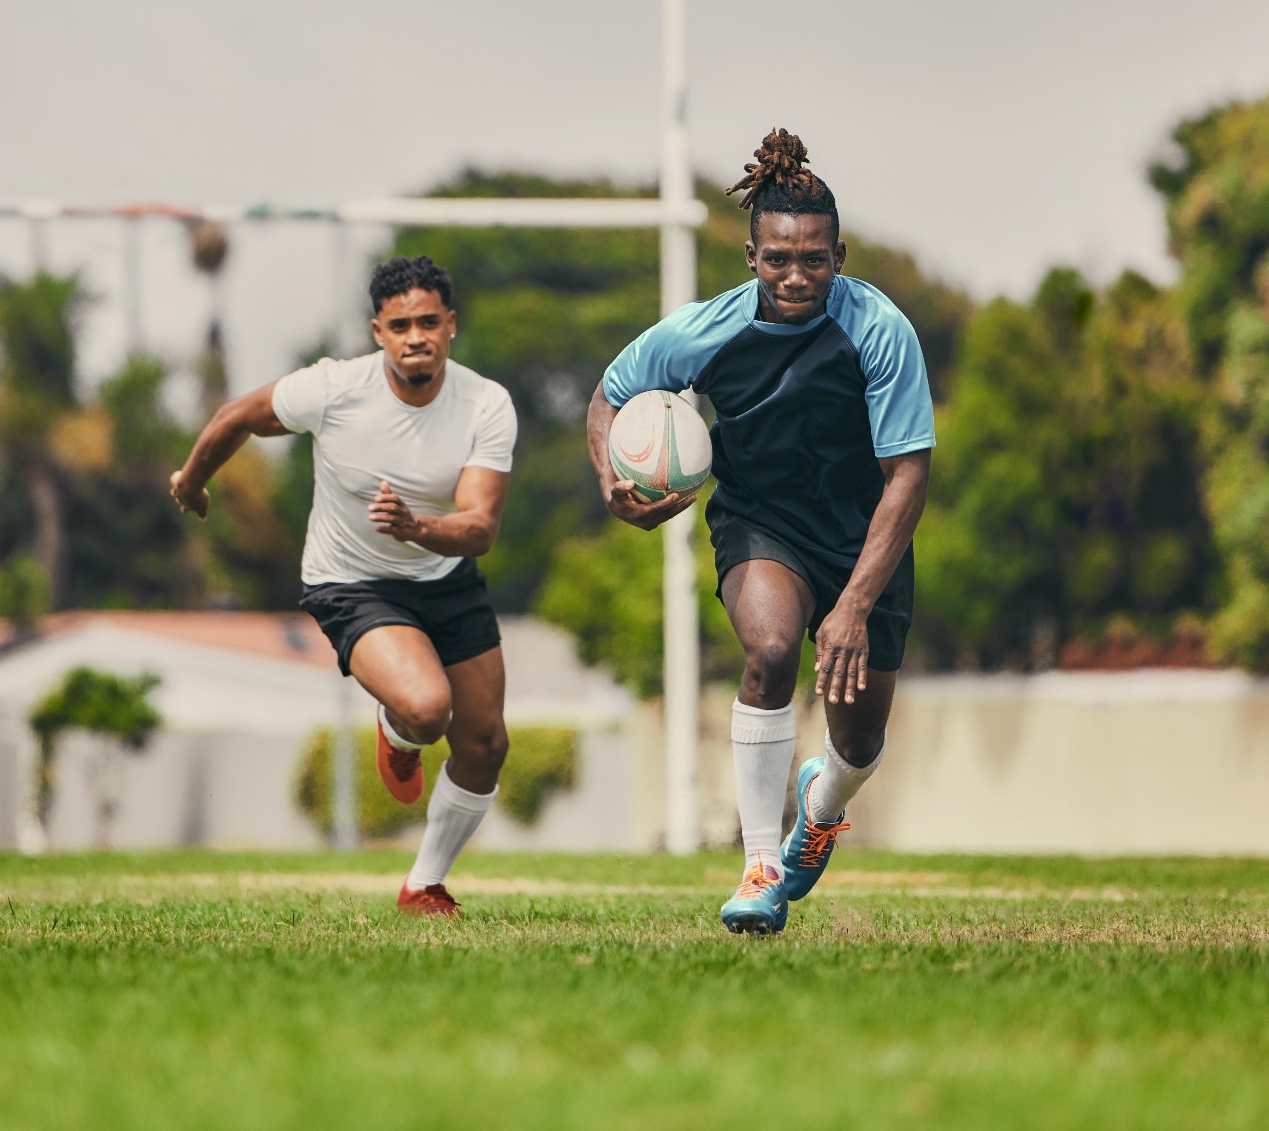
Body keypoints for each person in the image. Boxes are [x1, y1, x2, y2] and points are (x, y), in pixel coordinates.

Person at [587, 129, 934, 935]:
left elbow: (908, 476)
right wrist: (610, 478)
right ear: (750, 255)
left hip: (864, 537)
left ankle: (819, 809)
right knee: (772, 651)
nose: (796, 275)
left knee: (859, 741)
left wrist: (852, 605)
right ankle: (758, 866)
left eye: (814, 258)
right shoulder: (703, 332)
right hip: (761, 521)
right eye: (778, 258)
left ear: (840, 254)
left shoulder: (880, 330)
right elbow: (610, 392)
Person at [170, 256, 518, 916]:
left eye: (428, 322)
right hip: (351, 582)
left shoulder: (485, 403)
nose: (415, 335)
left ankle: (424, 883)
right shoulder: (333, 388)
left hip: (445, 576)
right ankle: (399, 726)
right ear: (378, 332)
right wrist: (191, 480)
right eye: (400, 324)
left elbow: (478, 528)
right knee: (425, 707)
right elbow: (238, 415)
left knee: (486, 744)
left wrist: (416, 527)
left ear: (451, 326)